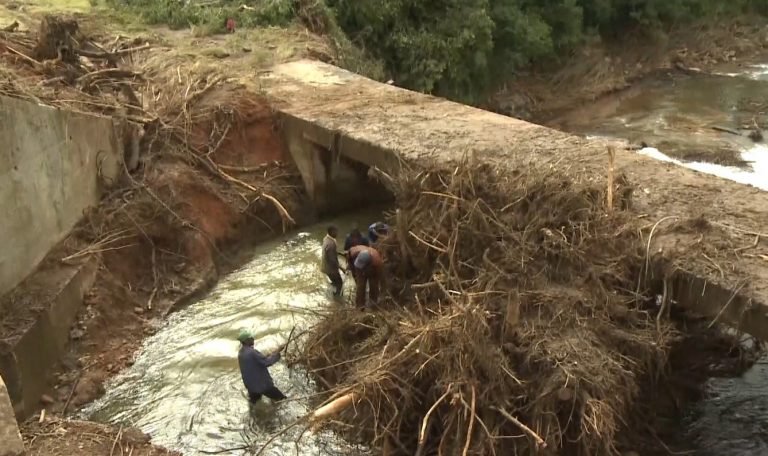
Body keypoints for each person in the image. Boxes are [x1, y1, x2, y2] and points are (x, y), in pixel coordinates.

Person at [237, 330, 286, 404]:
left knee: (254, 405)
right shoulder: (252, 352)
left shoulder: (241, 353)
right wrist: (277, 355)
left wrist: (272, 353)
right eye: (251, 338)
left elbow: (257, 360)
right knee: (282, 400)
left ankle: (255, 415)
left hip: (251, 387)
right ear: (247, 341)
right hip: (263, 386)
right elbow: (267, 362)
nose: (253, 339)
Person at [321, 226, 345, 297]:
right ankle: (338, 299)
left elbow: (328, 252)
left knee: (334, 282)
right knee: (340, 283)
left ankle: (333, 292)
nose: (337, 233)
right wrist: (342, 268)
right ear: (331, 232)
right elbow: (332, 260)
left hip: (325, 266)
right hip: (331, 269)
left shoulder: (326, 238)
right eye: (335, 232)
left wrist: (339, 253)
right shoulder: (331, 244)